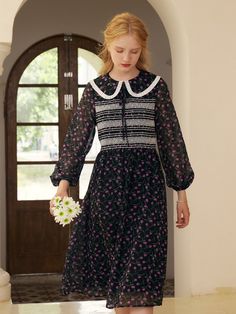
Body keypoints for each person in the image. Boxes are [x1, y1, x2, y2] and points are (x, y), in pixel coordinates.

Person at [49, 12, 194, 314]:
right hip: (107, 189)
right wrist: (63, 186)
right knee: (121, 284)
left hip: (148, 189)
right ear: (107, 46)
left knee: (140, 280)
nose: (126, 57)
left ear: (143, 49)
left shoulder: (156, 87)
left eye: (134, 51)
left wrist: (181, 194)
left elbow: (172, 141)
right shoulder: (94, 91)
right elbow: (77, 142)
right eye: (119, 50)